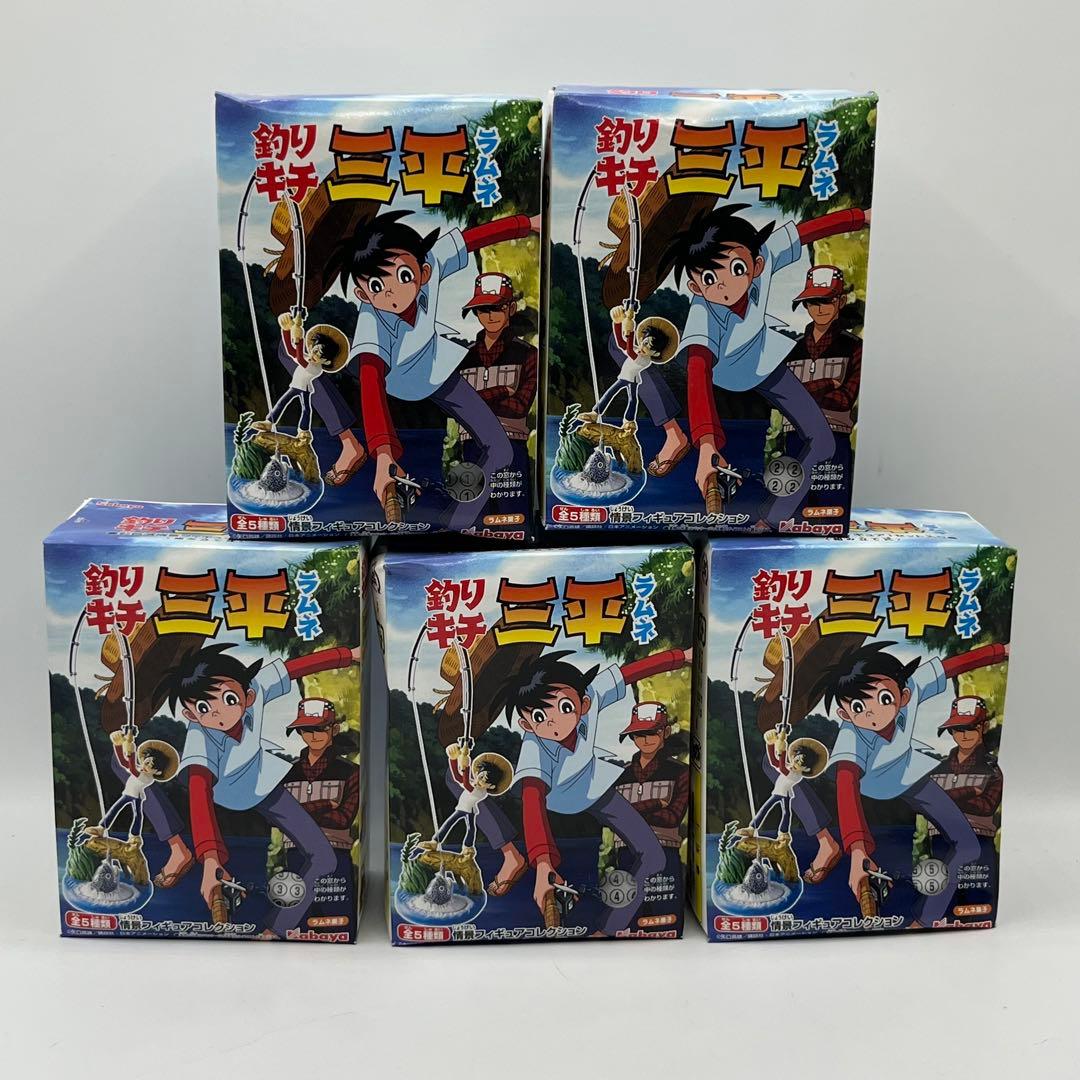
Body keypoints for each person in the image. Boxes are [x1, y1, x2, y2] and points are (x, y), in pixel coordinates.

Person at [661, 203, 870, 524]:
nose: (723, 286)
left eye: (736, 269)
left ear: (756, 265)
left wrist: (861, 218)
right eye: (709, 278)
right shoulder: (702, 313)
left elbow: (805, 232)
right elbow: (697, 371)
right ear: (695, 286)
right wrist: (706, 445)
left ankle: (771, 519)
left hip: (763, 361)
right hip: (725, 372)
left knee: (823, 441)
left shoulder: (764, 254)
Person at [338, 210, 541, 528]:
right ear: (363, 294)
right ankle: (447, 518)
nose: (392, 292)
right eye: (377, 286)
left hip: (436, 368)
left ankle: (456, 523)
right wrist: (383, 454)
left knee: (500, 449)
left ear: (424, 272)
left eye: (403, 276)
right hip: (396, 380)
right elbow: (371, 379)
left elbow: (471, 239)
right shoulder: (371, 323)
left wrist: (527, 224)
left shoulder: (428, 260)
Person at [158, 641, 361, 938]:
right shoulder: (200, 738)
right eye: (203, 708)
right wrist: (210, 857)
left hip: (263, 784)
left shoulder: (254, 687)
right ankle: (201, 871)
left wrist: (350, 655)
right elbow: (199, 791)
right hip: (223, 792)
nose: (219, 714)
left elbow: (295, 668)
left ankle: (276, 929)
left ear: (248, 695)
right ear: (191, 715)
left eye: (229, 699)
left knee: (324, 857)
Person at [496, 646, 691, 935]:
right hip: (557, 798)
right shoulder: (533, 748)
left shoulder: (590, 692)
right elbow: (532, 798)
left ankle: (608, 929)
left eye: (564, 708)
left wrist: (682, 657)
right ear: (527, 724)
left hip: (594, 786)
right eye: (539, 717)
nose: (553, 722)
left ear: (583, 703)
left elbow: (629, 673)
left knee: (653, 856)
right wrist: (543, 862)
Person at [816, 640, 1008, 927]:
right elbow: (846, 784)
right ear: (845, 714)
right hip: (871, 785)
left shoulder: (911, 686)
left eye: (883, 699)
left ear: (903, 695)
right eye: (858, 707)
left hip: (909, 774)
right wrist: (857, 850)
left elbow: (952, 666)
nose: (872, 714)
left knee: (968, 846)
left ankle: (925, 919)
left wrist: (1001, 651)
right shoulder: (851, 736)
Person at [281, 697, 360, 923]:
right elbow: (278, 818)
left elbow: (344, 818)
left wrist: (297, 814)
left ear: (334, 729)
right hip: (295, 855)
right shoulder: (287, 772)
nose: (313, 735)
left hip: (335, 854)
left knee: (337, 921)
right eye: (307, 730)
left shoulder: (351, 771)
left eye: (320, 728)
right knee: (297, 923)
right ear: (299, 732)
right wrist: (324, 804)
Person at [781, 265, 862, 474]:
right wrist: (827, 383)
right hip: (795, 438)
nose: (819, 308)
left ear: (841, 302)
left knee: (831, 493)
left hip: (835, 436)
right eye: (812, 302)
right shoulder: (791, 348)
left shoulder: (855, 347)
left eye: (827, 300)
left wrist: (800, 395)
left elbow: (845, 400)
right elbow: (782, 399)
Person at [612, 702, 689, 895]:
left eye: (652, 732)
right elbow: (612, 818)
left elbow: (673, 817)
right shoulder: (619, 775)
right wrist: (654, 804)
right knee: (628, 908)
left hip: (664, 850)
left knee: (663, 905)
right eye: (639, 734)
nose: (645, 740)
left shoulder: (680, 772)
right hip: (626, 852)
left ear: (666, 732)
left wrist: (629, 814)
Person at [930, 696, 1003, 849]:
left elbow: (986, 806)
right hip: (939, 839)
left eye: (971, 728)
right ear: (951, 731)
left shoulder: (992, 769)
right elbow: (929, 802)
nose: (964, 735)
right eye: (958, 729)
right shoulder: (937, 768)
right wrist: (969, 791)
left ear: (984, 727)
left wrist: (946, 800)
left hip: (979, 838)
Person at [739, 727, 828, 839]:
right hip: (780, 792)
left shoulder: (797, 775)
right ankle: (772, 831)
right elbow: (774, 762)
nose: (795, 762)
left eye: (800, 763)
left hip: (783, 793)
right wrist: (770, 744)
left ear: (806, 769)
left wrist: (783, 750)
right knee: (781, 811)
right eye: (796, 759)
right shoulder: (790, 767)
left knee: (773, 810)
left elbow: (782, 768)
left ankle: (773, 831)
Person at [99, 731, 179, 840]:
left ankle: (135, 835)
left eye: (151, 766)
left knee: (136, 814)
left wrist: (132, 752)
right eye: (147, 762)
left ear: (158, 772)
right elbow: (124, 763)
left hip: (136, 796)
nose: (146, 766)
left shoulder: (148, 778)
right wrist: (118, 746)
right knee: (117, 809)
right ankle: (102, 827)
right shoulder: (140, 769)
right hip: (128, 793)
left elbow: (133, 770)